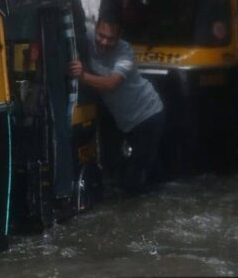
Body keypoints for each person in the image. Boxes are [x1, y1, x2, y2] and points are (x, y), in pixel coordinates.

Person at [68, 16, 165, 192]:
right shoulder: (87, 39)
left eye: (111, 38)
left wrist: (82, 76)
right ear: (95, 28)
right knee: (113, 171)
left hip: (147, 116)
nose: (104, 42)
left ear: (119, 36)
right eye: (101, 35)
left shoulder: (125, 52)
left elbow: (111, 84)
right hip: (122, 120)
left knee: (136, 179)